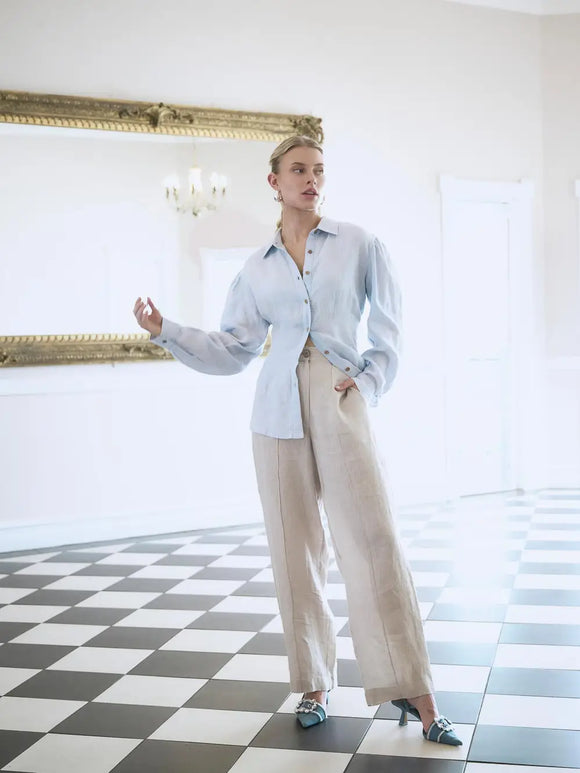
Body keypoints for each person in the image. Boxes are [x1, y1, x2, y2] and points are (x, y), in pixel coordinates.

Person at [133, 135, 462, 746]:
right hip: (274, 408)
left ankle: (413, 689)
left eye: (318, 170)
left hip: (338, 399)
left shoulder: (361, 244)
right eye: (298, 171)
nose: (311, 180)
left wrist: (364, 380)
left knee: (374, 539)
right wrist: (166, 329)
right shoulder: (257, 266)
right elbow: (234, 349)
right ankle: (313, 682)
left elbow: (390, 333)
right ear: (274, 182)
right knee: (294, 550)